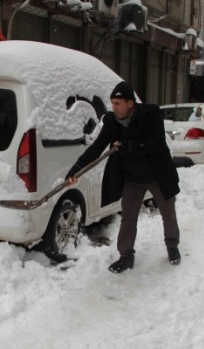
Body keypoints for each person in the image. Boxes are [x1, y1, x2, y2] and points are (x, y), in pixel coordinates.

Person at [65, 81, 181, 273]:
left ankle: (172, 245)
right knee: (128, 216)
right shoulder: (112, 122)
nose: (114, 108)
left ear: (130, 103)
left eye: (117, 103)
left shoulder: (150, 114)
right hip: (132, 177)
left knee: (168, 212)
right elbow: (96, 148)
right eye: (112, 103)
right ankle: (126, 255)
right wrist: (76, 170)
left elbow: (158, 143)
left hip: (157, 173)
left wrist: (129, 146)